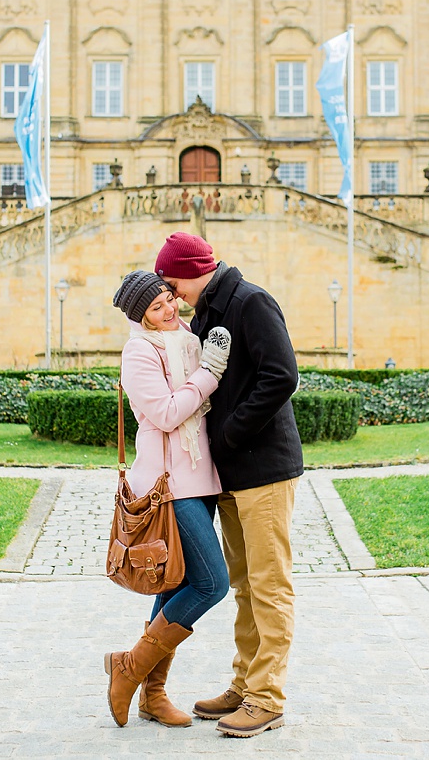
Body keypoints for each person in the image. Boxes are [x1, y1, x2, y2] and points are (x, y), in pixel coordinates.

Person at [154, 232, 302, 739]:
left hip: (264, 468)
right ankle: (244, 685)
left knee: (269, 585)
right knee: (244, 587)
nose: (170, 293)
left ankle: (268, 698)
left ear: (193, 270)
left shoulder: (250, 301)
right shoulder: (210, 312)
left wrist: (232, 431)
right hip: (233, 473)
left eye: (172, 282)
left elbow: (281, 376)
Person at [103, 269, 233, 729]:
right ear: (140, 317)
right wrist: (209, 375)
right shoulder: (139, 352)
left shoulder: (189, 339)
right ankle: (129, 667)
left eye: (168, 299)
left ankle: (152, 695)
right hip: (167, 487)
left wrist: (204, 368)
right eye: (156, 307)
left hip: (201, 480)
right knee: (211, 584)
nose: (168, 309)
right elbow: (166, 412)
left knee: (176, 584)